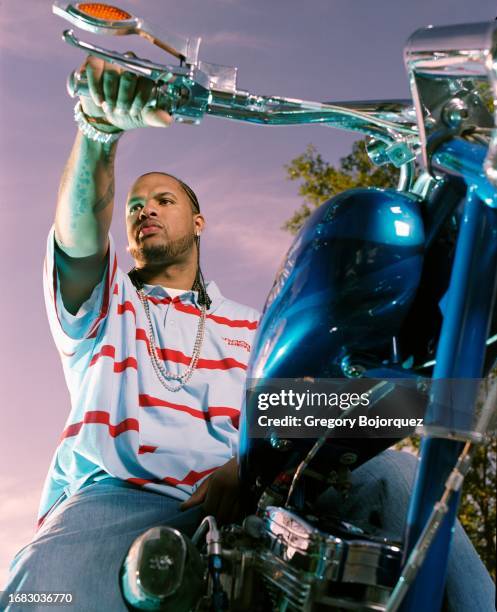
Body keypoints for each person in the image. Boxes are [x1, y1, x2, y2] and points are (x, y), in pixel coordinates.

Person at [3, 57, 495, 611]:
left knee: (401, 477)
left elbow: (363, 403)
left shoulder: (257, 324)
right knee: (50, 585)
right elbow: (81, 231)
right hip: (123, 495)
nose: (145, 211)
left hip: (268, 484)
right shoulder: (107, 304)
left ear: (198, 221)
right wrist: (98, 131)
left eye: (164, 200)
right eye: (136, 205)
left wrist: (254, 464)